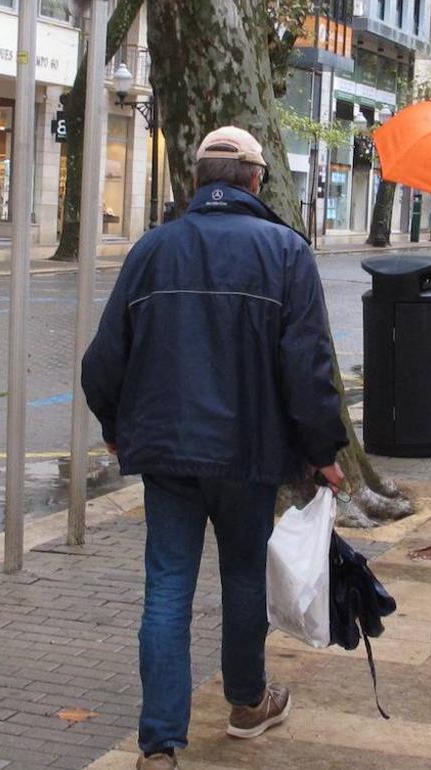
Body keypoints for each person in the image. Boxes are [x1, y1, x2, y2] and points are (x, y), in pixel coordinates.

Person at [81, 126, 348, 770]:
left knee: (167, 587)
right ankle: (248, 701)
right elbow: (308, 366)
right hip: (249, 454)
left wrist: (118, 429)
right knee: (241, 575)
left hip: (167, 453)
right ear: (256, 181)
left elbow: (101, 363)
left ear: (197, 182)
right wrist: (323, 449)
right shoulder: (285, 252)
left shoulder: (152, 250)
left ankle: (159, 745)